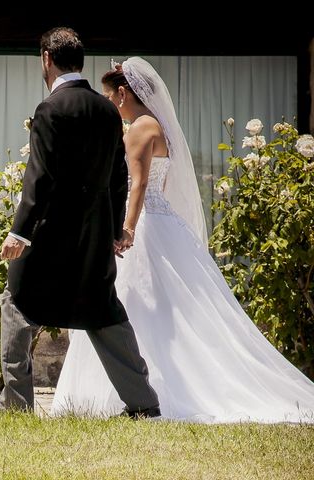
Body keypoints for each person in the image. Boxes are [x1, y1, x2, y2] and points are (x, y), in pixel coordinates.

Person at [52, 57, 314, 423]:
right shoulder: (157, 126)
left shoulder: (141, 128)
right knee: (155, 308)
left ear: (124, 93)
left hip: (143, 226)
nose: (110, 105)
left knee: (127, 305)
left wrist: (125, 229)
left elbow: (139, 183)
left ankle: (137, 391)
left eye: (111, 97)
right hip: (162, 224)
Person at [0, 29, 160, 418]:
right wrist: (116, 228)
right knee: (103, 313)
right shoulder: (107, 110)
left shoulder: (50, 110)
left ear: (47, 58)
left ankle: (16, 406)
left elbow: (40, 177)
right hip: (93, 237)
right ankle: (144, 404)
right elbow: (119, 177)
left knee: (16, 304)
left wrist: (19, 231)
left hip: (49, 236)